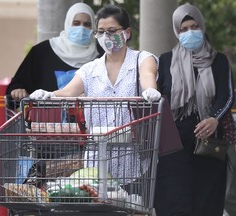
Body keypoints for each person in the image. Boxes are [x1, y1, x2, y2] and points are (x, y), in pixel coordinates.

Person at [30, 4, 161, 186]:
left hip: (134, 159)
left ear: (127, 33)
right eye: (101, 32)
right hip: (96, 162)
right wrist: (49, 94)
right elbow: (68, 92)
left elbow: (147, 75)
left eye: (112, 30)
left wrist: (149, 90)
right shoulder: (91, 69)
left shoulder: (142, 58)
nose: (106, 36)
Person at [156, 3, 235, 216]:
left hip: (208, 143)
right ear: (176, 32)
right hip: (174, 145)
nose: (190, 32)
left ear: (202, 26)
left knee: (207, 202)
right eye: (183, 29)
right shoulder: (165, 60)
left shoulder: (218, 60)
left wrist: (214, 119)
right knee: (174, 200)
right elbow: (157, 97)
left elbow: (226, 95)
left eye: (194, 26)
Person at [6, 2, 103, 101]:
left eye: (87, 24)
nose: (81, 28)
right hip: (46, 115)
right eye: (76, 23)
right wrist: (18, 91)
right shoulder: (42, 52)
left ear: (93, 27)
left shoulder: (102, 55)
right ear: (68, 23)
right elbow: (17, 85)